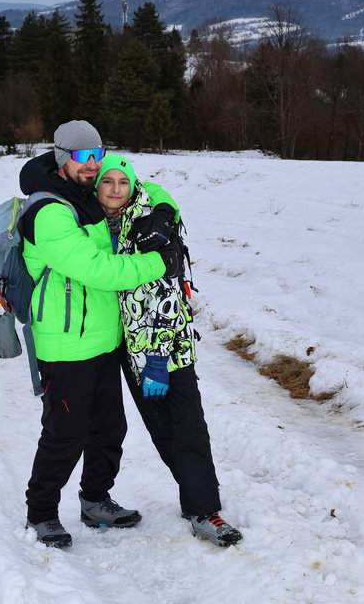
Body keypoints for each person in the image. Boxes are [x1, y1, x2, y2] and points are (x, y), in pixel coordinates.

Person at [18, 120, 183, 548]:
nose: (93, 167)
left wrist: (163, 215)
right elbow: (98, 271)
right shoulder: (48, 212)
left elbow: (145, 188)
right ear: (62, 158)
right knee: (65, 433)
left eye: (97, 156)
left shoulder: (86, 192)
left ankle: (95, 500)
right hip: (66, 343)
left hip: (105, 340)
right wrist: (158, 263)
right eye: (82, 158)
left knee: (110, 429)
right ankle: (41, 513)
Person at [95, 153, 243, 547]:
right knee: (161, 429)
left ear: (132, 186)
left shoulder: (149, 224)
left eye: (122, 182)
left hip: (166, 348)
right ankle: (194, 495)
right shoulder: (99, 223)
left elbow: (162, 293)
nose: (114, 189)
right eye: (107, 182)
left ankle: (205, 510)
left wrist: (158, 359)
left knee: (187, 425)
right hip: (131, 349)